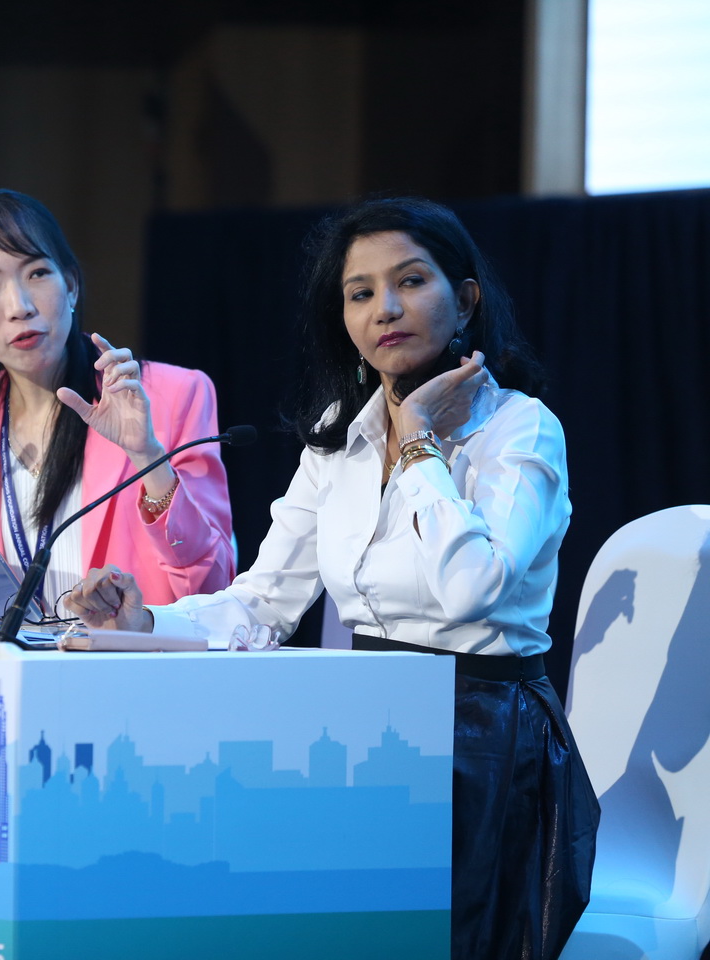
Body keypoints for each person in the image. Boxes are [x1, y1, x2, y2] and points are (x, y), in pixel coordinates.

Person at [64, 197, 597, 960]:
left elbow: (473, 588)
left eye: (410, 281)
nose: (386, 309)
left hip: (484, 743)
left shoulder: (521, 429)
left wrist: (419, 446)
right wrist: (142, 622)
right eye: (360, 292)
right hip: (366, 729)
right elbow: (263, 603)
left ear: (466, 299)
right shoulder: (337, 440)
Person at [0, 189, 236, 613]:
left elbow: (213, 587)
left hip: (134, 654)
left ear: (71, 286)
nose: (19, 306)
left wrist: (147, 456)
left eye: (37, 273)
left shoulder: (175, 395)